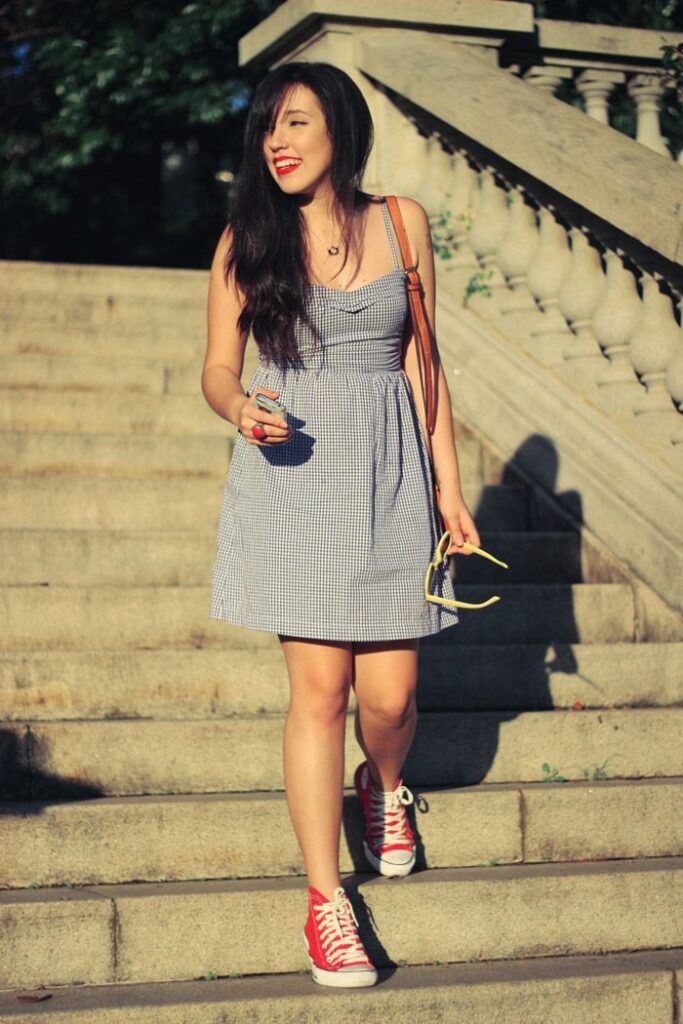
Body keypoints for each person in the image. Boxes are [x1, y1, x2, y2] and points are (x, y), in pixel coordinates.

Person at [201, 61, 481, 989]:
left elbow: (423, 368)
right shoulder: (248, 236)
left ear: (340, 133)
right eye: (267, 129)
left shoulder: (402, 223)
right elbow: (215, 368)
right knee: (318, 694)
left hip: (391, 473)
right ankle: (327, 905)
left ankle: (384, 785)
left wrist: (449, 491)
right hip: (292, 475)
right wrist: (241, 408)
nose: (277, 143)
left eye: (296, 124)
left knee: (390, 701)